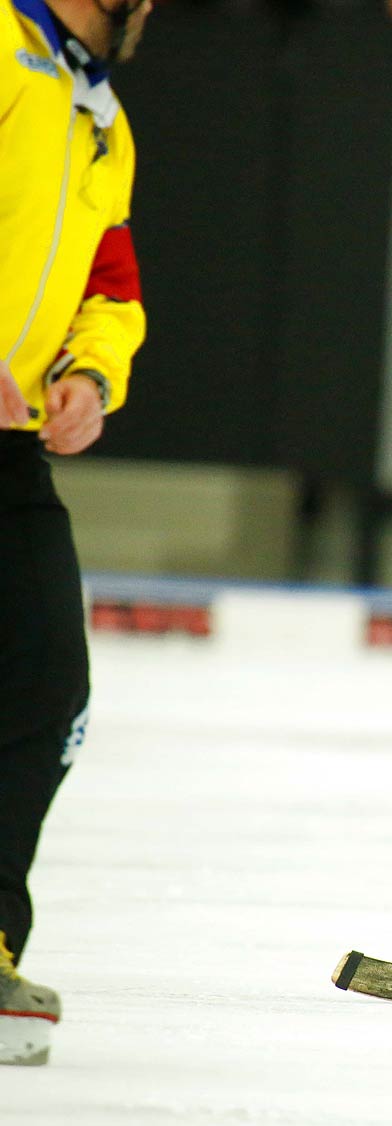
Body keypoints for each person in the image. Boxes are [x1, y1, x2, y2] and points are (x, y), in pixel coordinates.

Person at [0, 0, 150, 1066]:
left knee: (45, 684)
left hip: (8, 448)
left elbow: (109, 279)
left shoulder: (102, 112)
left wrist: (93, 372)